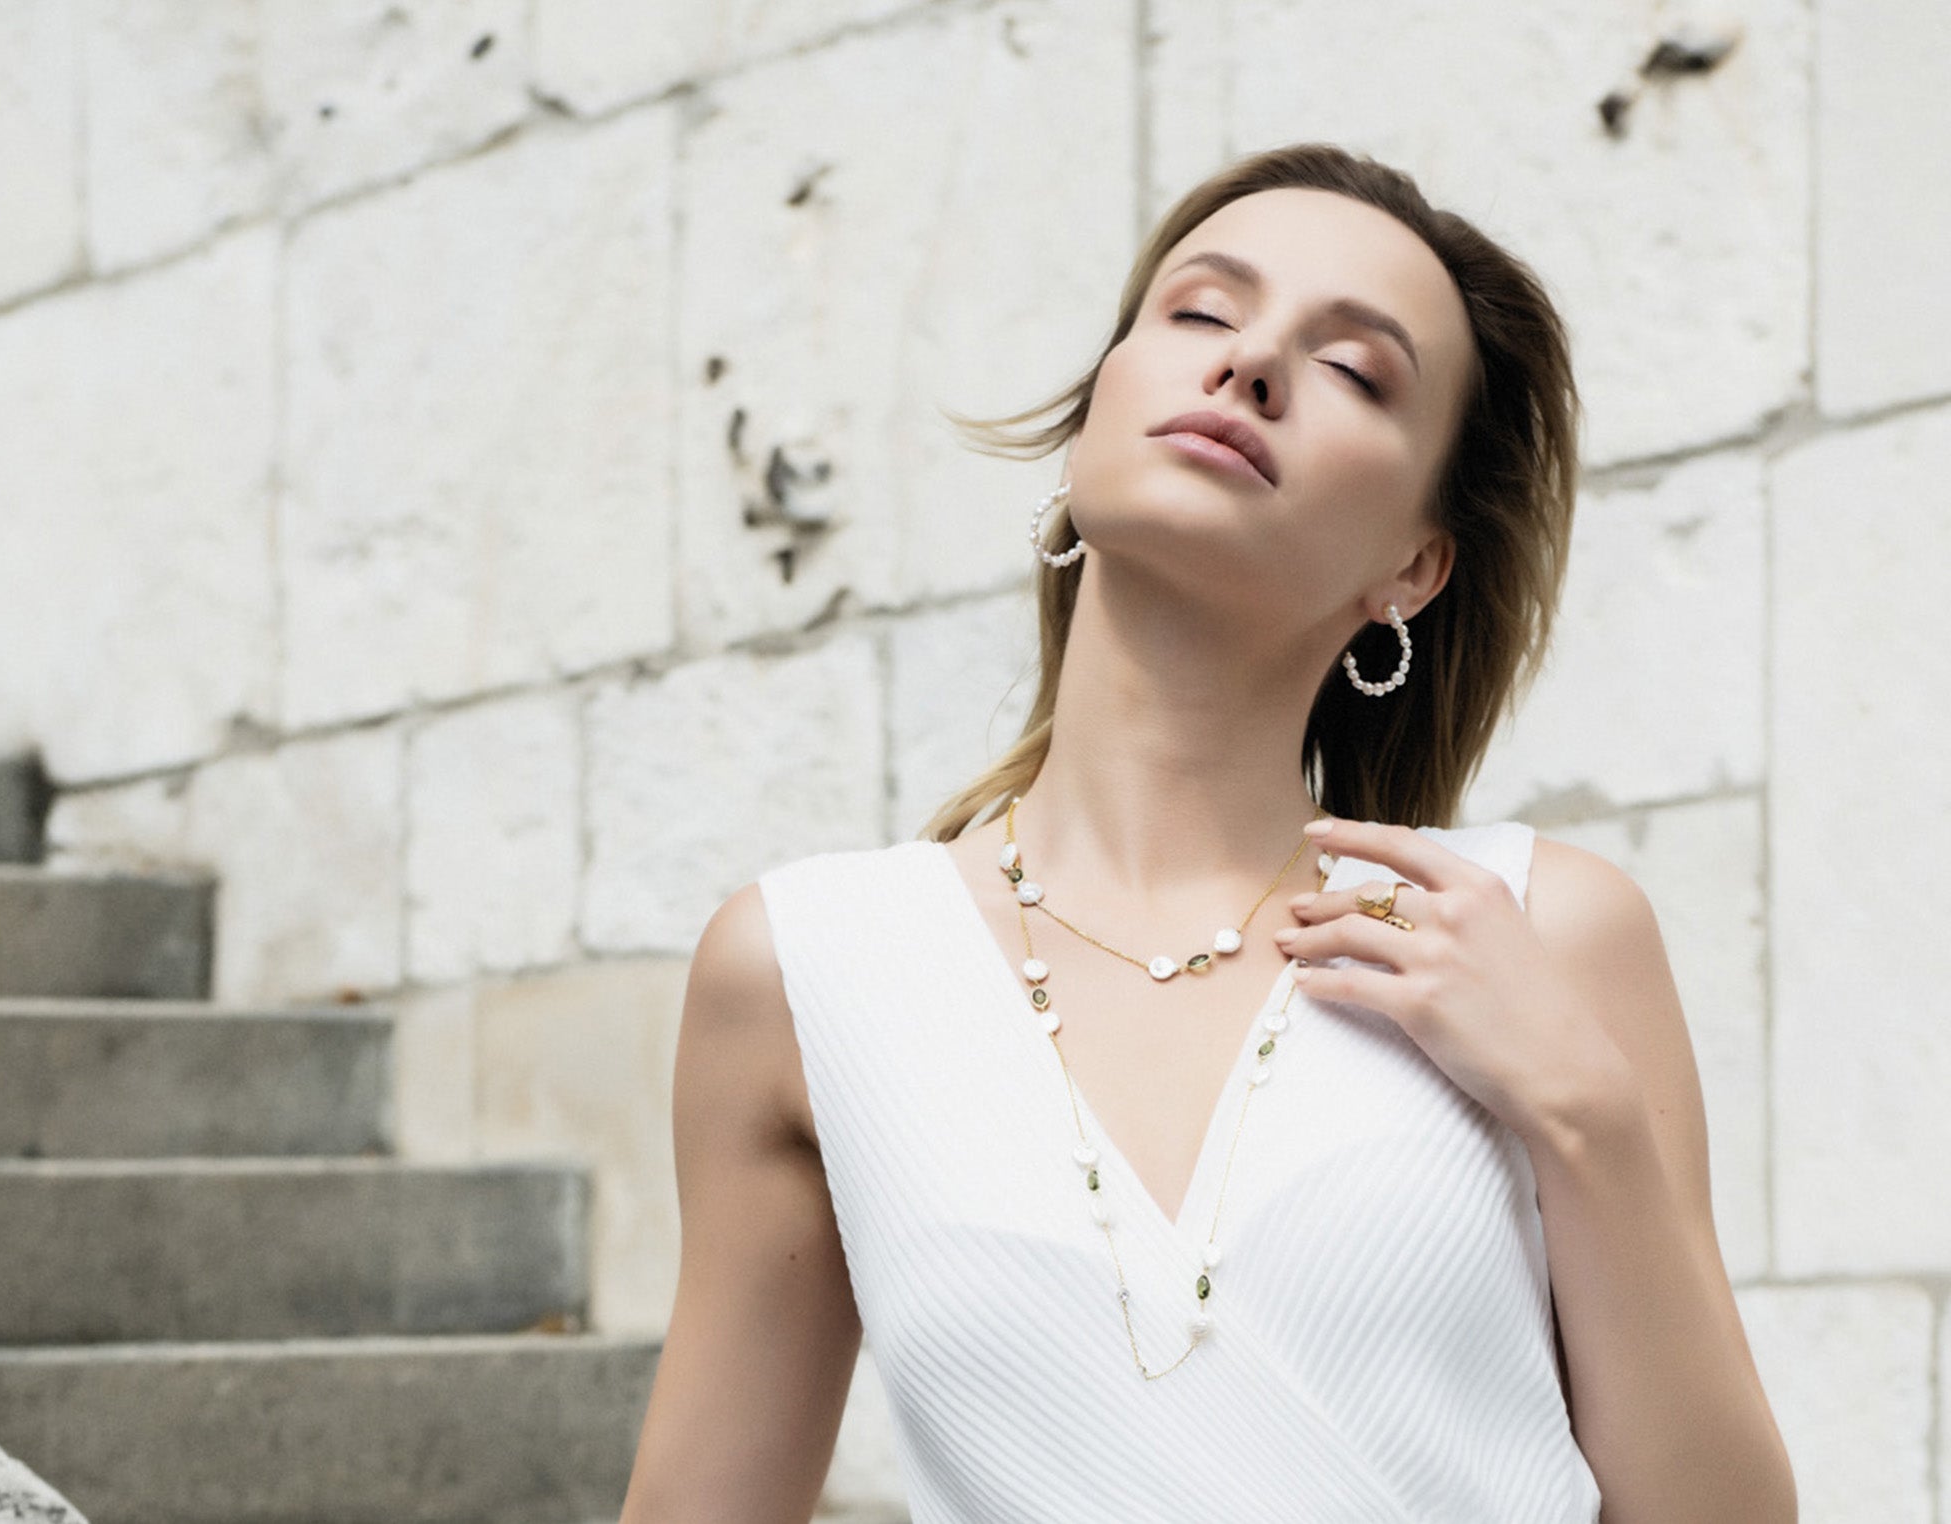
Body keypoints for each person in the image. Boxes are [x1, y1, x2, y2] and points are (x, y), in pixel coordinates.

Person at [620, 143, 1795, 1523]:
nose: (1251, 363)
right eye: (1200, 311)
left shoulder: (1536, 930)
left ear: (1413, 565)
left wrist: (1581, 1109)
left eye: (1355, 369)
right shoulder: (808, 969)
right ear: (1090, 423)